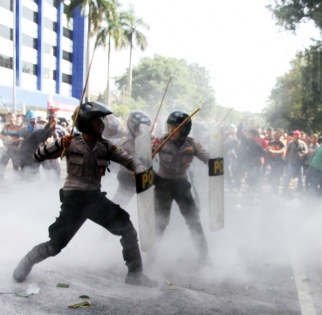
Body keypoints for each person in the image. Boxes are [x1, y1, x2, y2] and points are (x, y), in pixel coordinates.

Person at [12, 102, 157, 287]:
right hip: (73, 202)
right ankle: (27, 261)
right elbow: (37, 156)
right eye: (98, 120)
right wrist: (58, 144)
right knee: (55, 245)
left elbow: (128, 160)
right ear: (87, 122)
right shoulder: (70, 142)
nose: (102, 124)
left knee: (127, 229)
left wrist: (141, 167)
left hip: (95, 199)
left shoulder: (107, 146)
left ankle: (135, 274)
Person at [152, 110, 210, 266]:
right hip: (162, 185)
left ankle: (204, 257)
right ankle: (150, 259)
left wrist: (213, 163)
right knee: (159, 223)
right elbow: (143, 157)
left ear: (184, 129)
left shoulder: (193, 145)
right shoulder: (160, 141)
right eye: (170, 127)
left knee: (194, 220)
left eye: (175, 128)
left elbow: (207, 156)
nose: (171, 131)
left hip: (182, 185)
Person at [113, 111, 151, 207]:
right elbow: (123, 158)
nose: (142, 130)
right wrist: (135, 168)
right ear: (133, 127)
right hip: (129, 177)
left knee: (148, 204)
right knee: (119, 203)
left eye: (145, 127)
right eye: (140, 127)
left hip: (145, 177)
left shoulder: (152, 141)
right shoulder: (125, 144)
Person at [235, 123, 265, 192]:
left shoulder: (257, 145)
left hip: (251, 164)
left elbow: (262, 155)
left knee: (251, 178)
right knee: (237, 177)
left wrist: (260, 162)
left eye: (251, 135)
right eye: (249, 134)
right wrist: (241, 123)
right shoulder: (244, 140)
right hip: (241, 162)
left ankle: (251, 191)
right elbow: (239, 132)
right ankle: (238, 190)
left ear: (255, 136)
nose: (249, 136)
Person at [41, 115, 64, 182]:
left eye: (55, 120)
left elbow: (57, 139)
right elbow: (46, 142)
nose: (54, 121)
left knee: (57, 171)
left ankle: (55, 186)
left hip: (54, 155)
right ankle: (51, 187)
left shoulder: (56, 129)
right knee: (49, 173)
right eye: (52, 120)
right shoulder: (47, 129)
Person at [0, 112, 22, 182]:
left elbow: (21, 138)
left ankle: (16, 181)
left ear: (15, 118)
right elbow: (1, 134)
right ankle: (1, 180)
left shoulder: (19, 127)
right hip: (6, 149)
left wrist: (13, 141)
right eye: (10, 117)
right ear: (7, 118)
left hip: (14, 149)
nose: (11, 119)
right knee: (2, 165)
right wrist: (5, 138)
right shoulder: (5, 126)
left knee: (15, 166)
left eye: (12, 117)